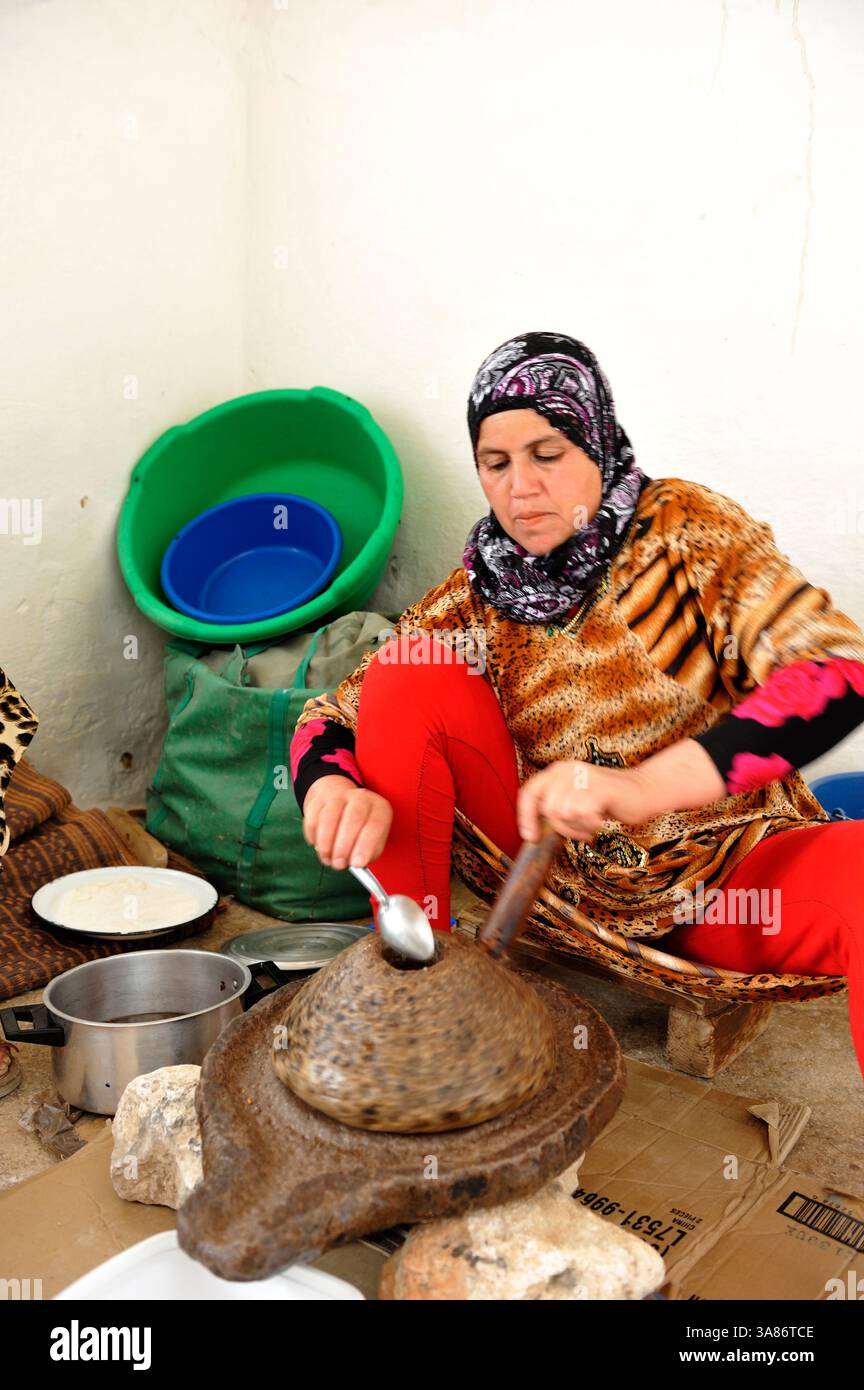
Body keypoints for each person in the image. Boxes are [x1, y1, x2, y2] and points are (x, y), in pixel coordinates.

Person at [290, 332, 864, 1077]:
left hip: (720, 885)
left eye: (548, 453)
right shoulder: (480, 594)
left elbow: (835, 676)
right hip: (550, 876)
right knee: (409, 670)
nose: (520, 488)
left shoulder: (684, 534)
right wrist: (331, 786)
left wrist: (639, 787)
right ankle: (418, 1004)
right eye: (495, 464)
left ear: (595, 440)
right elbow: (329, 716)